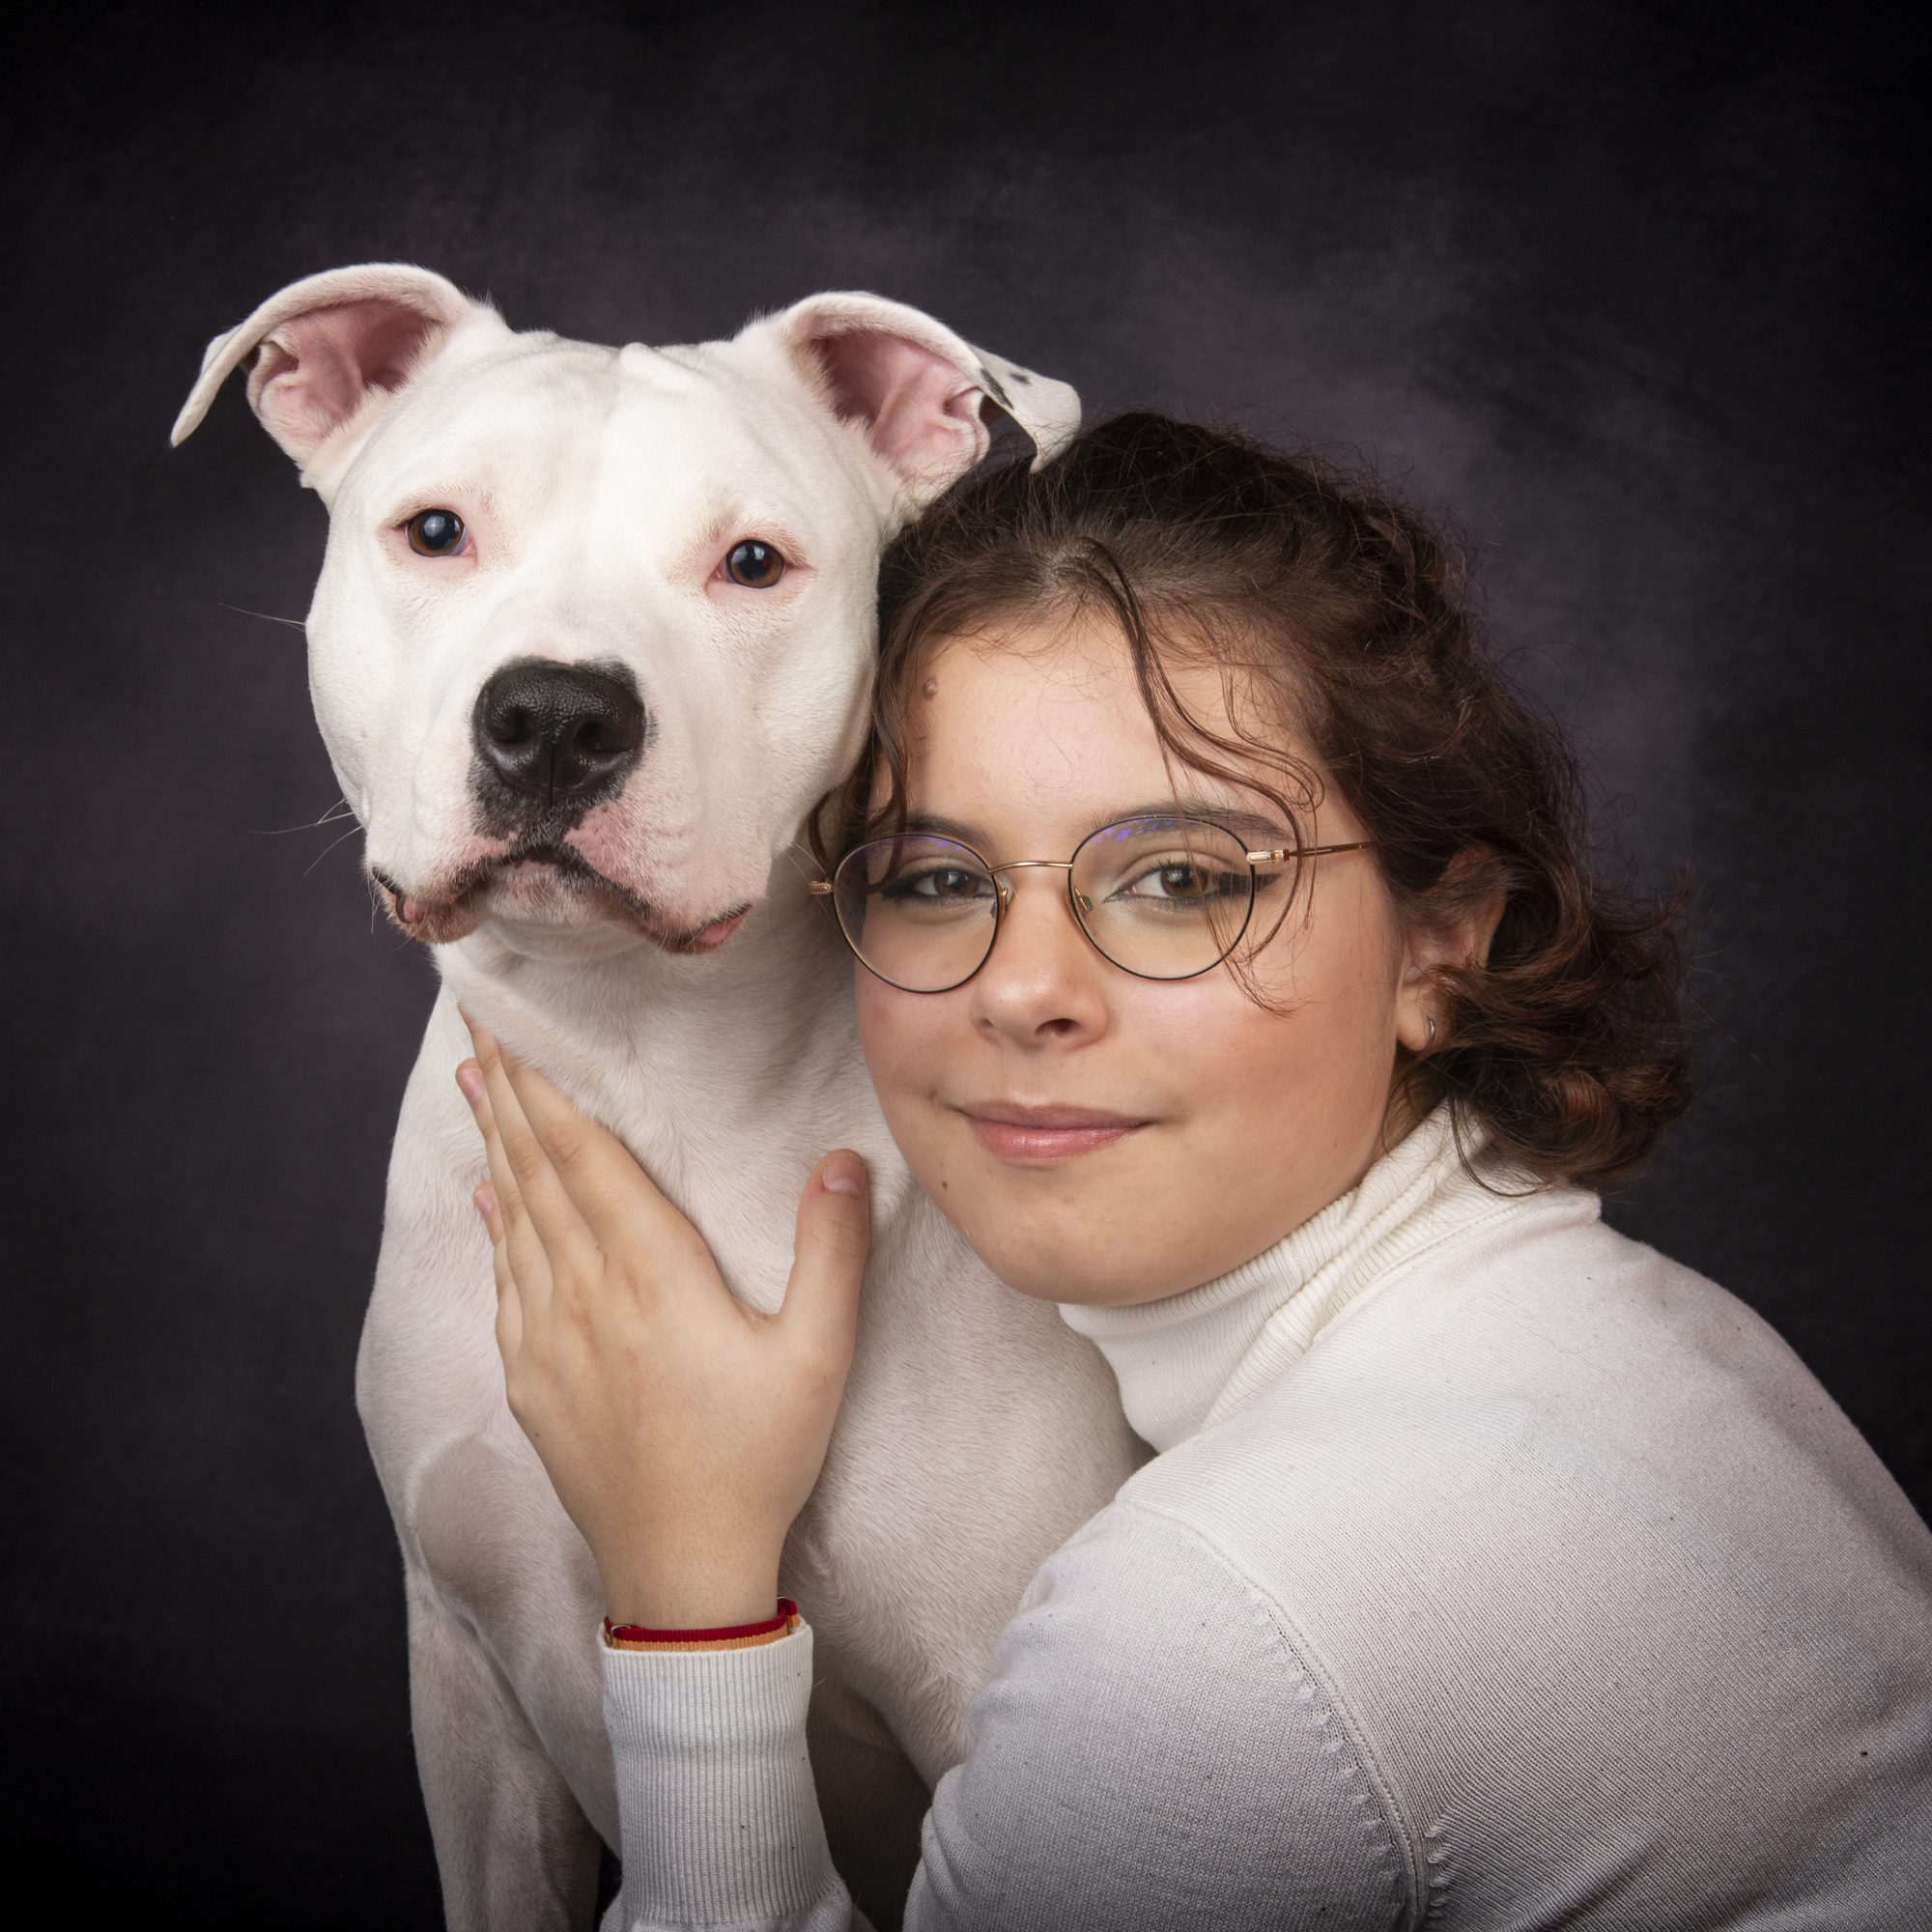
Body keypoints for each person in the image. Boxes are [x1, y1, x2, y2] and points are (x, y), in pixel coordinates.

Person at [454, 414, 1932, 1929]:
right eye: (938, 880)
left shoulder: (1217, 1624)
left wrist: (690, 1600)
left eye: (1180, 880)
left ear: (1443, 943)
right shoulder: (1666, 1335)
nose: (1024, 990)